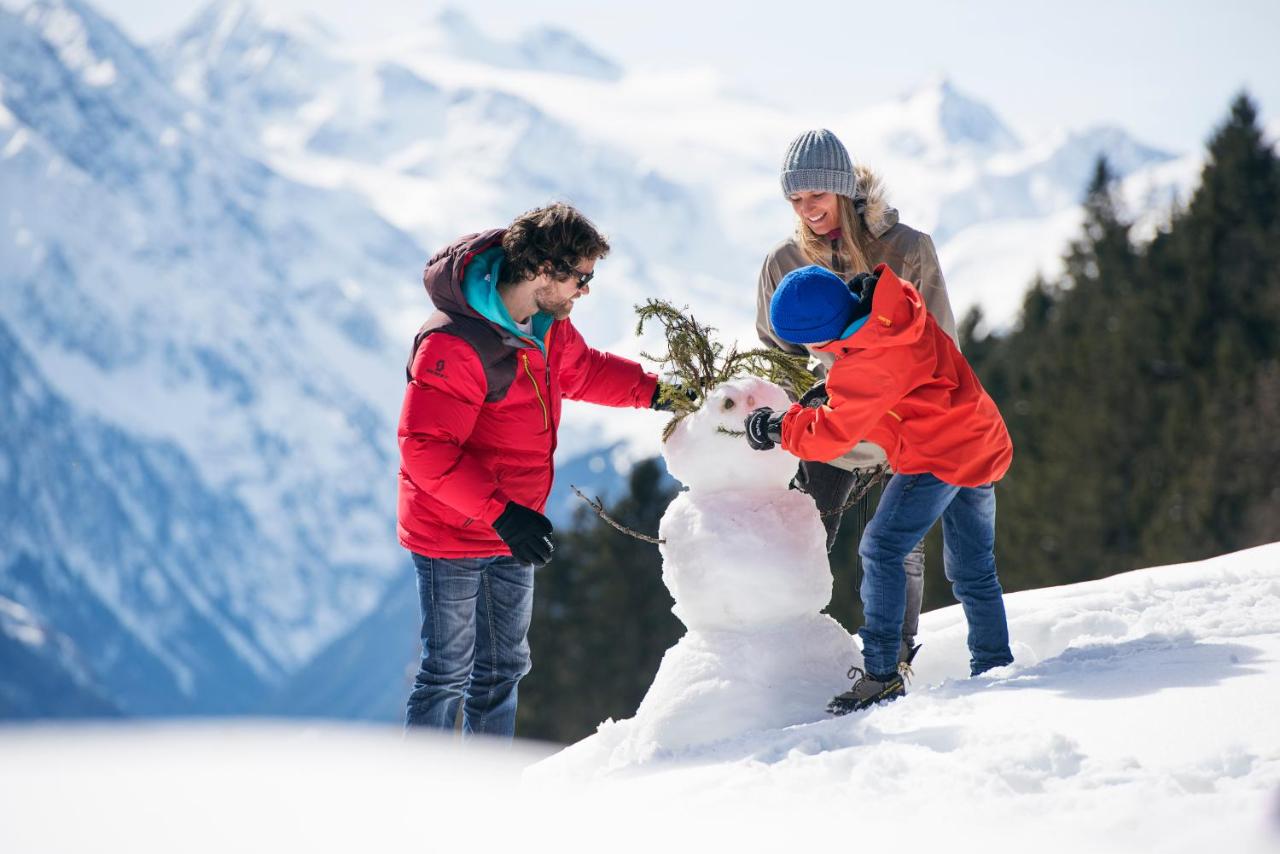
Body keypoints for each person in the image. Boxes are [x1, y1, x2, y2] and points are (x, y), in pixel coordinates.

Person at [398, 203, 672, 740]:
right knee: (446, 674)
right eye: (581, 277)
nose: (585, 291)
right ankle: (418, 799)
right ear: (544, 269)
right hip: (453, 531)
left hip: (511, 525)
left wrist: (656, 392)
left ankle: (490, 797)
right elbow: (424, 451)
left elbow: (583, 370)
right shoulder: (455, 343)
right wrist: (502, 515)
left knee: (502, 671)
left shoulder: (546, 324)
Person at [743, 263, 1014, 714]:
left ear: (820, 337)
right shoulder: (894, 311)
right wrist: (832, 390)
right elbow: (883, 389)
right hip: (978, 437)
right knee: (973, 569)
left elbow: (832, 435)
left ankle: (882, 675)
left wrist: (778, 427)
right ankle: (995, 665)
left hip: (939, 455)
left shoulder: (868, 363)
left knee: (882, 549)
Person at [756, 128, 959, 668]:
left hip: (906, 415)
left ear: (844, 189)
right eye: (795, 200)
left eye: (816, 196)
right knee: (805, 526)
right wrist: (792, 405)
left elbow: (941, 340)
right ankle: (789, 658)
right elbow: (775, 349)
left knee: (896, 545)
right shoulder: (785, 260)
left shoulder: (907, 248)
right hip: (833, 419)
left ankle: (893, 657)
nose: (807, 210)